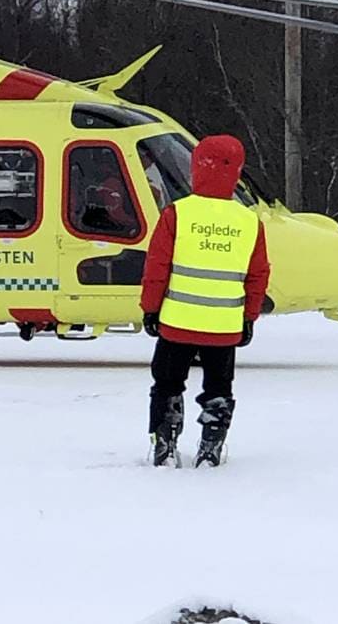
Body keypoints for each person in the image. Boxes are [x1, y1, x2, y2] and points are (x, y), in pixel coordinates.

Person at [140, 135, 270, 468]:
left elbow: (157, 267)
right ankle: (211, 443)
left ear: (197, 167)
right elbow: (257, 275)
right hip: (224, 326)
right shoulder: (249, 222)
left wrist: (151, 309)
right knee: (218, 387)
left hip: (177, 322)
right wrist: (248, 317)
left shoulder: (176, 215)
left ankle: (165, 441)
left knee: (167, 383)